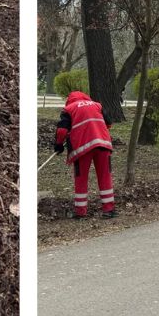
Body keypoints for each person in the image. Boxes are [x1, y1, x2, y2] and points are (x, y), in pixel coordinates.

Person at [54, 88, 115, 219]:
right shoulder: (97, 105)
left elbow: (62, 131)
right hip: (103, 145)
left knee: (81, 179)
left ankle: (81, 213)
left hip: (83, 148)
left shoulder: (69, 109)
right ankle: (108, 210)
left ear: (69, 100)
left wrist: (59, 144)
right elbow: (108, 123)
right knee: (105, 176)